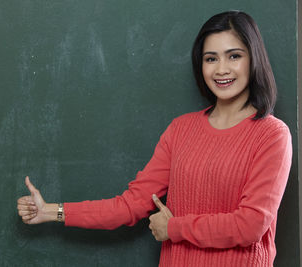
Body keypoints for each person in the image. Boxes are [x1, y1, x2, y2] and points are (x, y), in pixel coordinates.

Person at [17, 11, 292, 267]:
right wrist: (52, 211)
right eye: (211, 58)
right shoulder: (181, 130)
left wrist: (174, 228)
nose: (222, 69)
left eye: (234, 56)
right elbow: (130, 205)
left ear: (253, 58)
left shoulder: (271, 135)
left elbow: (251, 225)